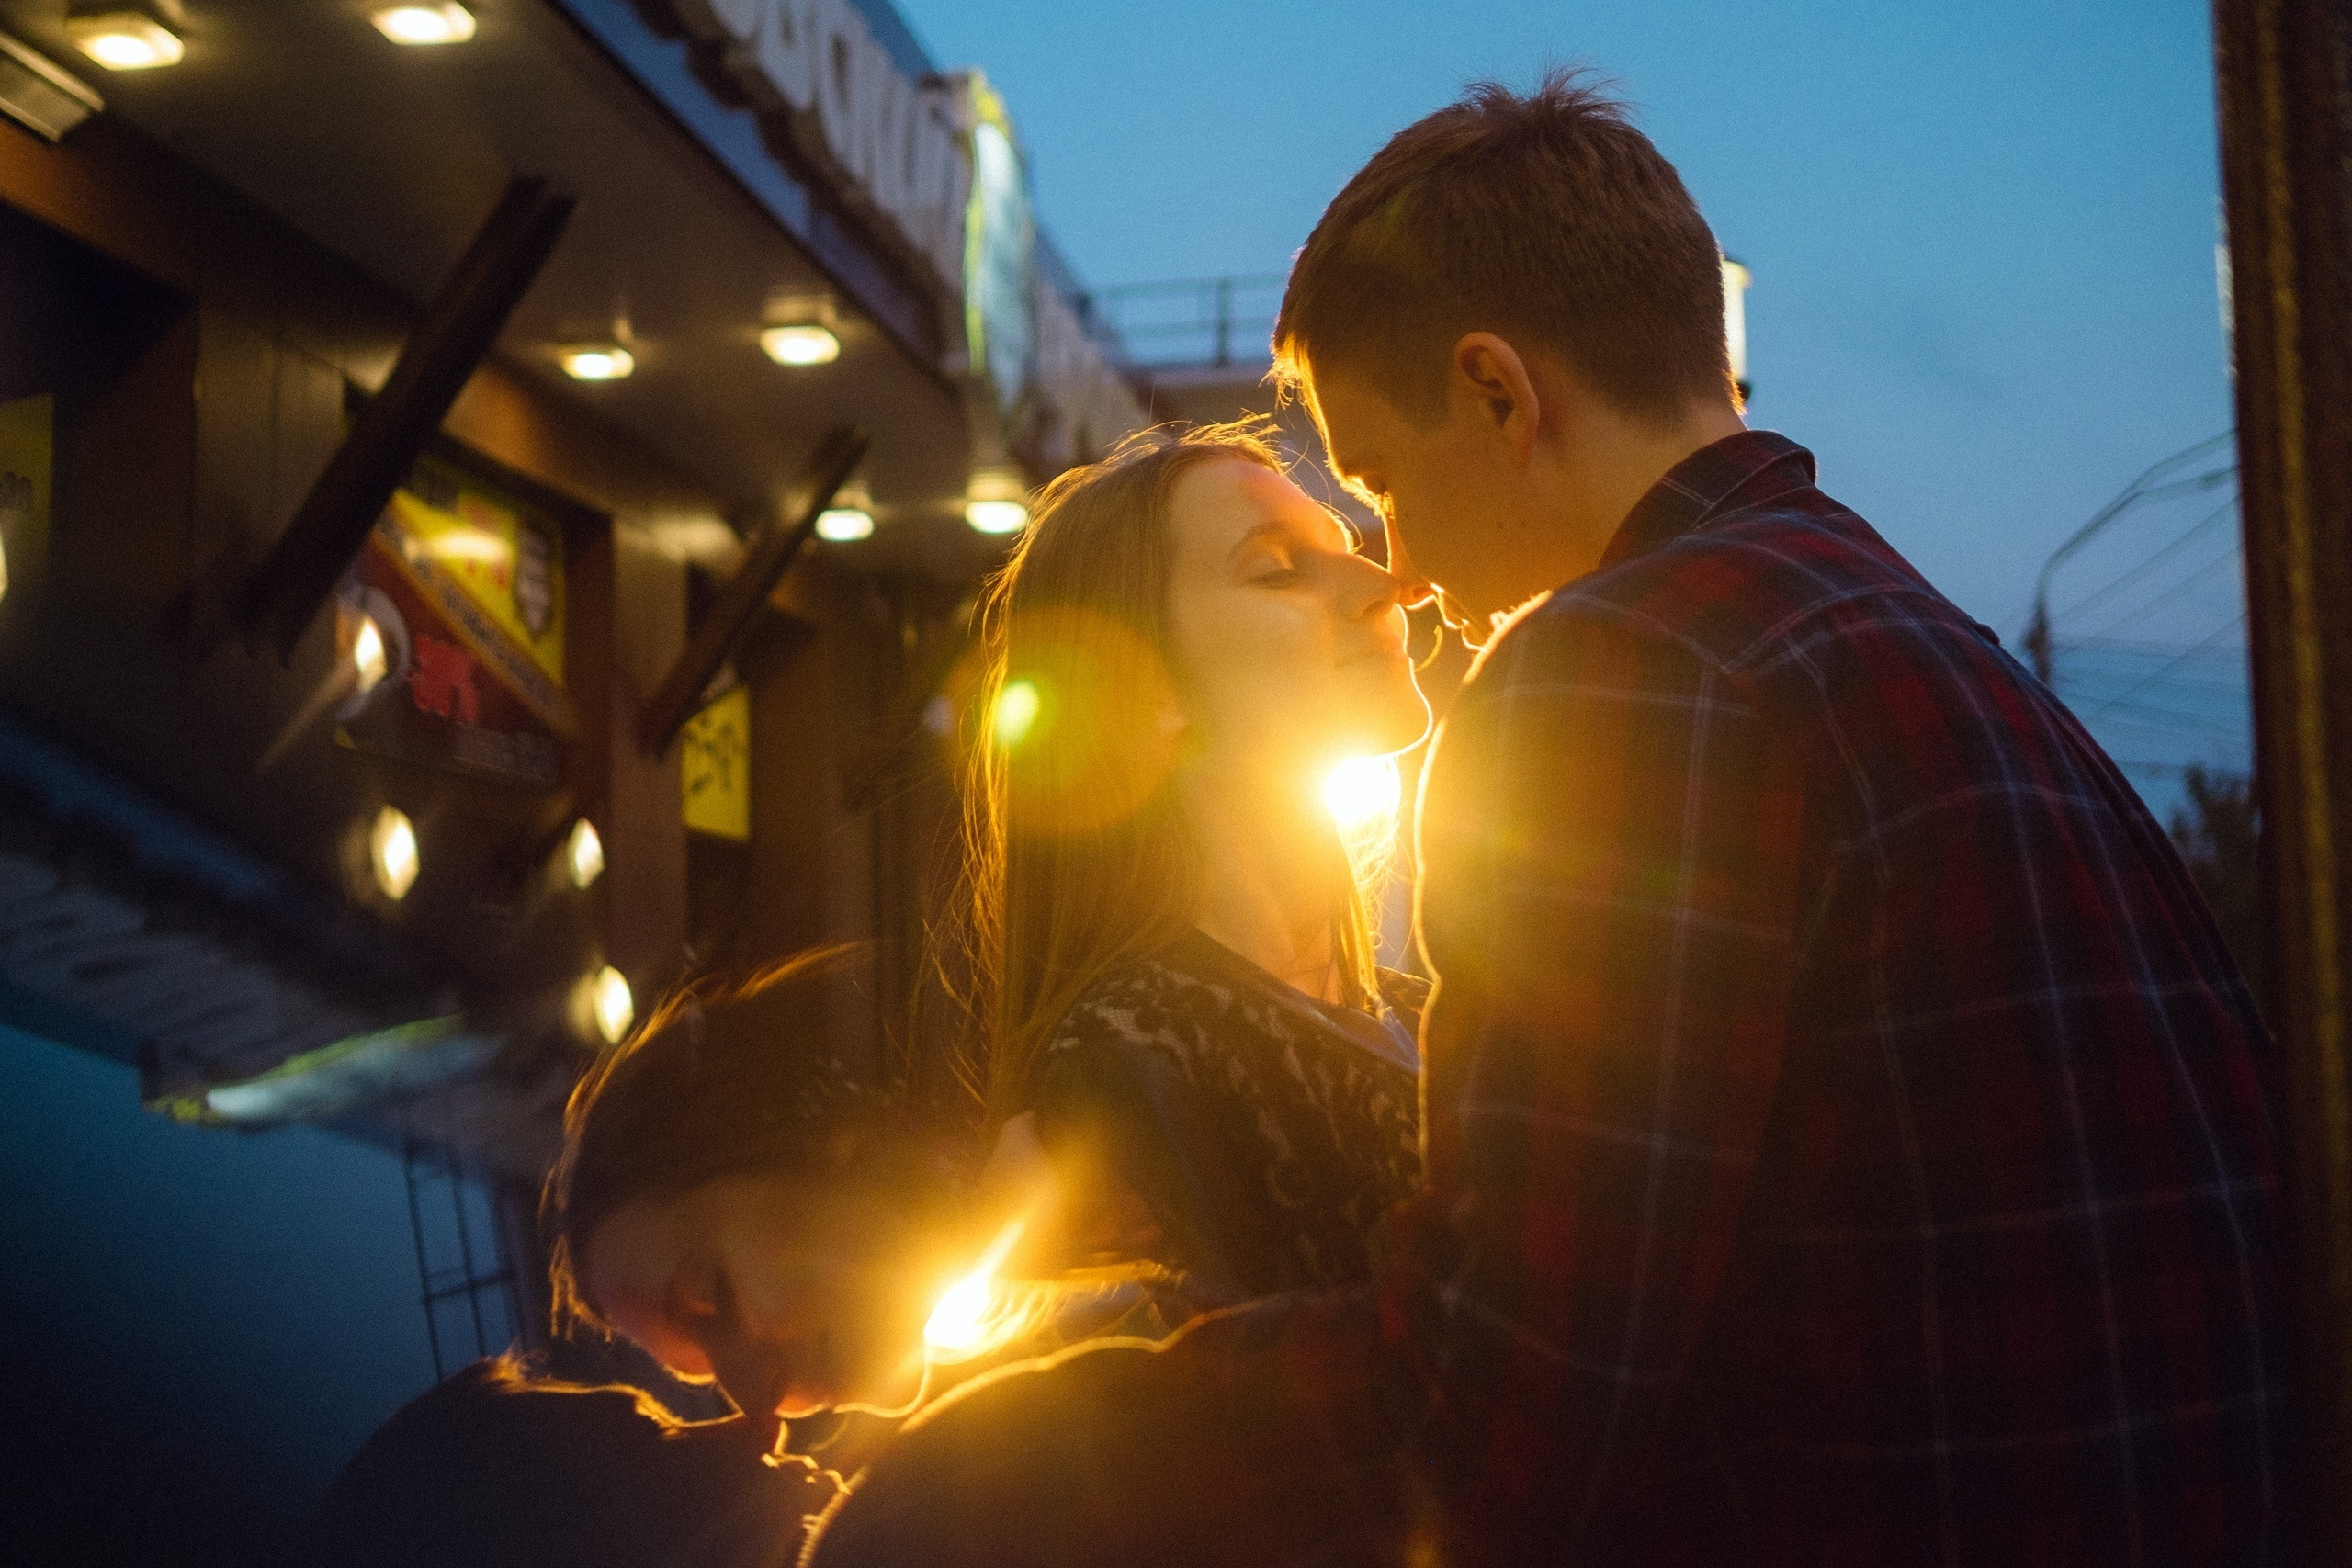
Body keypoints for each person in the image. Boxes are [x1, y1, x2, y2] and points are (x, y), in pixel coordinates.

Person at [809, 72, 2285, 1567]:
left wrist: (1003, 1464)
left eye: (1378, 483)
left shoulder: (1621, 672)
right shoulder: (1924, 645)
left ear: (1500, 394)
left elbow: (1493, 1408)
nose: (1395, 568)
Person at [954, 420, 1431, 1305]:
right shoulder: (1125, 1068)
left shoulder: (1416, 1009)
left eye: (1346, 547)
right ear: (1147, 691)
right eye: (1277, 569)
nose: (1383, 583)